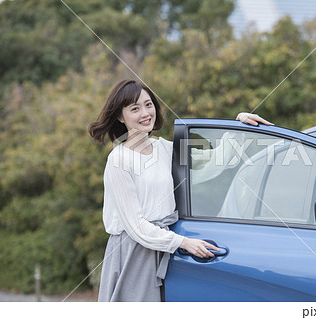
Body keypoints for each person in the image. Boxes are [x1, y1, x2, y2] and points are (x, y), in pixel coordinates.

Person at [88, 79, 273, 302]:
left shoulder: (163, 149)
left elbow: (213, 162)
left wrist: (238, 125)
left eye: (149, 105)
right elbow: (136, 226)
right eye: (135, 108)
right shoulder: (119, 160)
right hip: (133, 254)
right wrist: (184, 243)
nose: (146, 113)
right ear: (120, 116)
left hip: (166, 245)